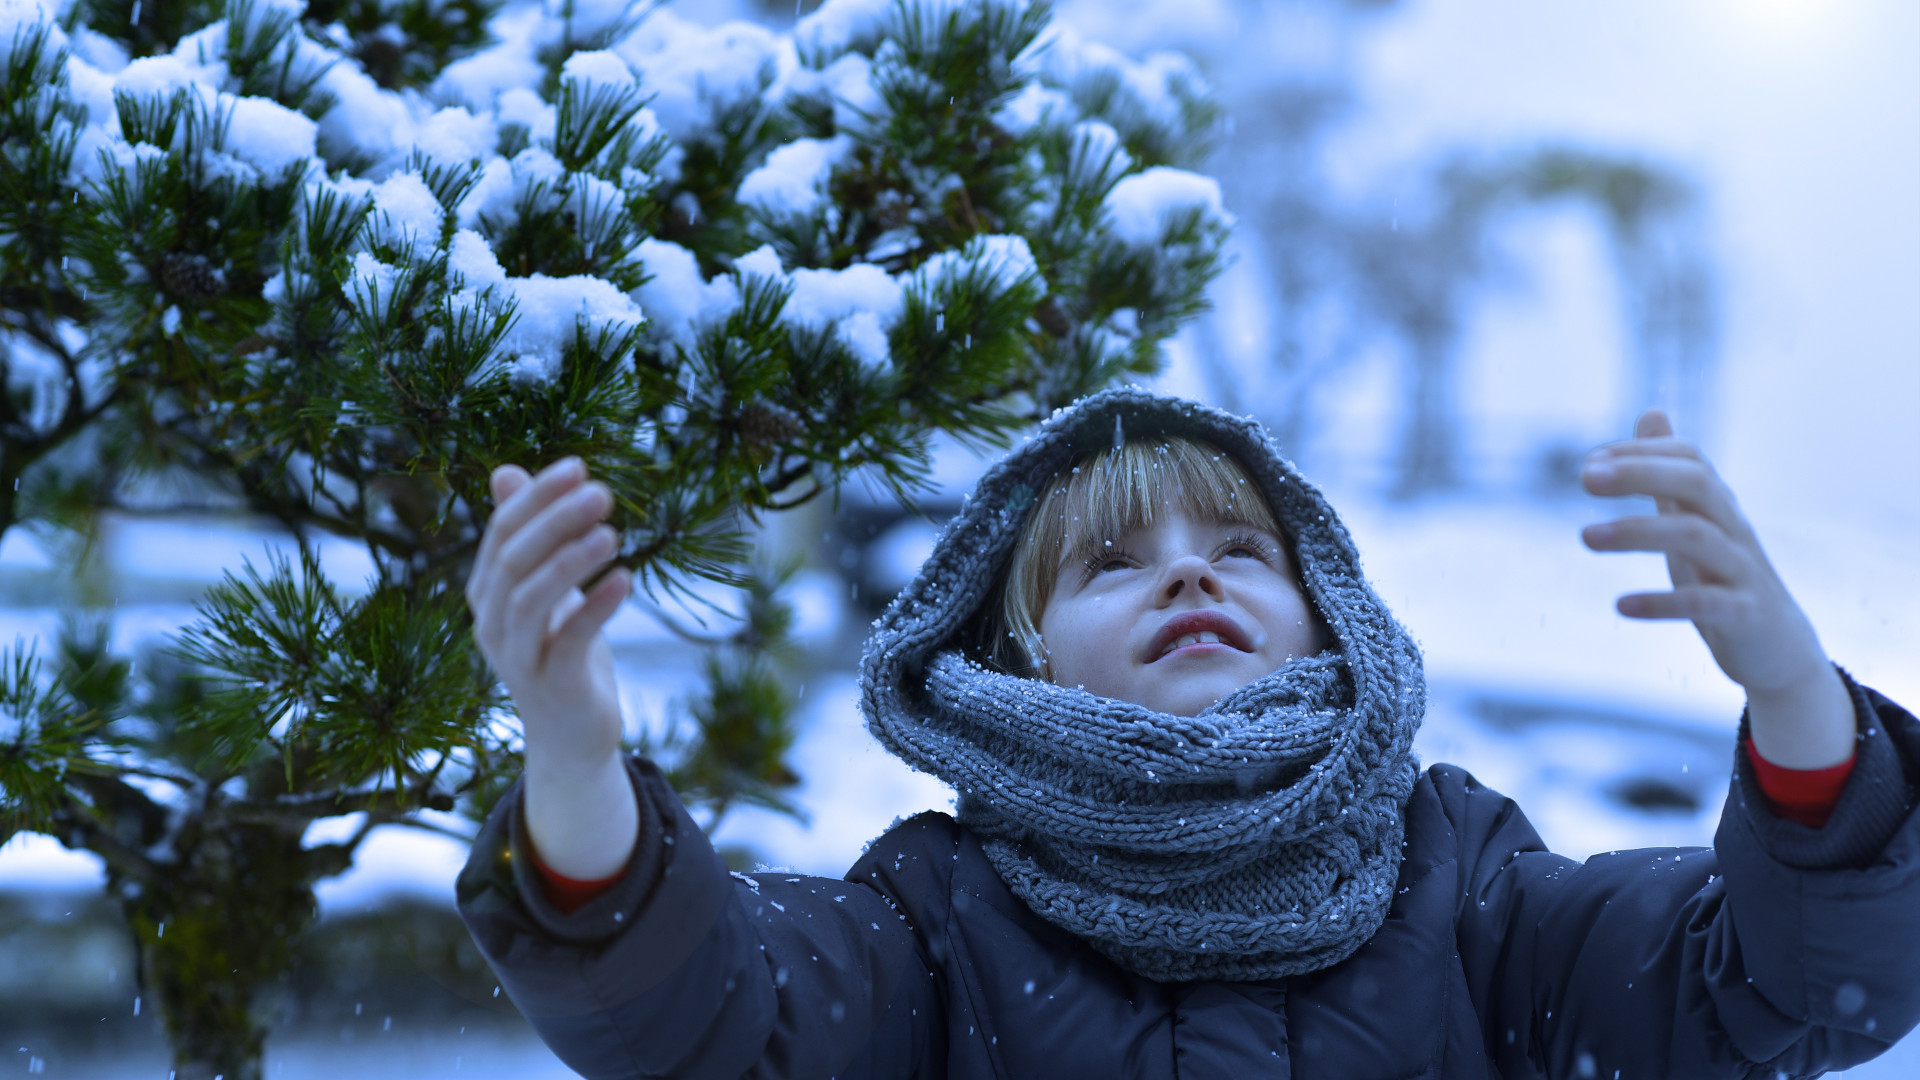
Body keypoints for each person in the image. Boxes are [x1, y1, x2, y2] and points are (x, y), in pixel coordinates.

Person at [457, 388, 1918, 1078]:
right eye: (1110, 562)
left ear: (1326, 612)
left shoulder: (1470, 888)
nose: (1189, 571)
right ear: (1015, 657)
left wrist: (1796, 697)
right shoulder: (932, 920)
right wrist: (579, 761)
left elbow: (1784, 989)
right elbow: (704, 1017)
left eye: (1241, 547)